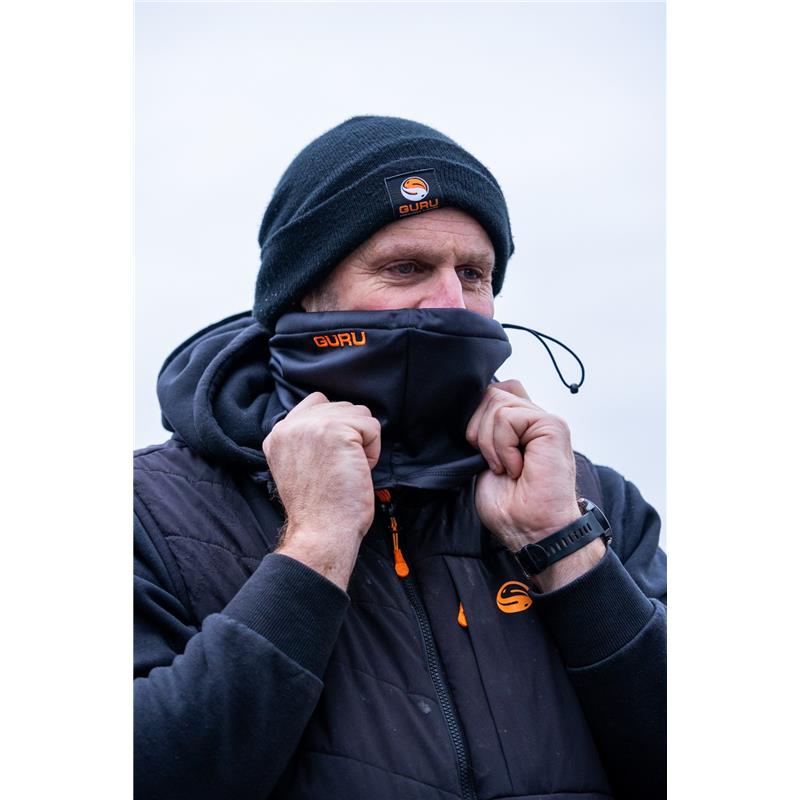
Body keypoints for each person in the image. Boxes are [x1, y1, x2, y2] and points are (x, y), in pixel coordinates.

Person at [134, 116, 666, 800]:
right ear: (304, 290)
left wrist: (563, 547)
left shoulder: (595, 503)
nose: (451, 303)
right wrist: (314, 546)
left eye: (473, 274)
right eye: (405, 268)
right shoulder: (146, 511)